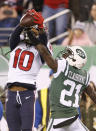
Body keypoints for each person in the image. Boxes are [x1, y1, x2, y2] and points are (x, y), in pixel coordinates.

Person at [30, 30, 96, 130]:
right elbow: (93, 95)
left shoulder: (62, 66)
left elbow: (45, 53)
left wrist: (34, 39)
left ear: (74, 59)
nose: (66, 55)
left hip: (57, 120)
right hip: (73, 119)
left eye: (69, 54)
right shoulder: (84, 76)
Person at [5, 9, 51, 131]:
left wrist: (40, 29)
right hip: (11, 93)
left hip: (27, 93)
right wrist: (21, 24)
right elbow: (14, 36)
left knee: (26, 129)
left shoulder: (41, 49)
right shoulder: (16, 43)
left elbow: (44, 48)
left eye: (35, 29)